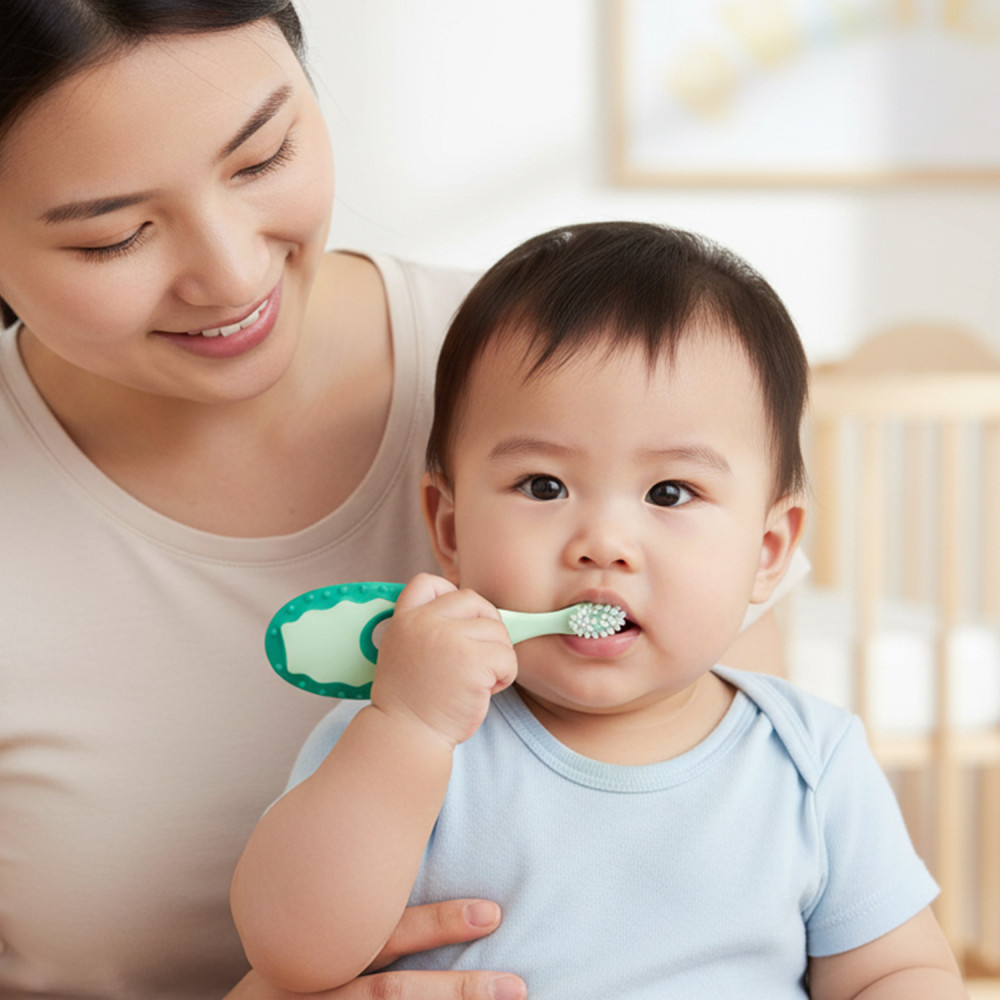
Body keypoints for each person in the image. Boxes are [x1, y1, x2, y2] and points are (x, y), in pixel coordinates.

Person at [0, 3, 803, 998]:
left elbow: (793, 907)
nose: (233, 272)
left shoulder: (587, 381)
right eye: (113, 237)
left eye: (261, 158)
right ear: (445, 522)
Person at [230, 222, 965, 999]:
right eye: (544, 486)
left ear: (769, 551)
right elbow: (292, 954)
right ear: (450, 528)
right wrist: (408, 728)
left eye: (670, 492)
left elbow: (896, 970)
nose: (604, 543)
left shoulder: (811, 762)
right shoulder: (407, 734)